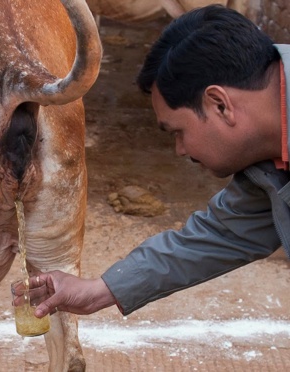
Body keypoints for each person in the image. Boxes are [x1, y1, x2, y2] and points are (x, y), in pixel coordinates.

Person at [31, 4, 290, 318]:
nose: (180, 149)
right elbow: (222, 234)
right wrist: (100, 290)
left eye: (177, 132)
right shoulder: (266, 159)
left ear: (220, 104)